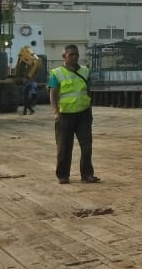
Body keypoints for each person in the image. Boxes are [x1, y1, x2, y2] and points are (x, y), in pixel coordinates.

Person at [48, 45, 100, 184]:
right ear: (64, 56)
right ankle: (63, 176)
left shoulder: (85, 71)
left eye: (76, 54)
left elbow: (88, 90)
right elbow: (53, 94)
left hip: (84, 115)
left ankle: (87, 175)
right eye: (71, 54)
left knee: (87, 147)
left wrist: (89, 107)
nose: (74, 57)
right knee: (64, 148)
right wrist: (55, 112)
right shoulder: (56, 73)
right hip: (65, 116)